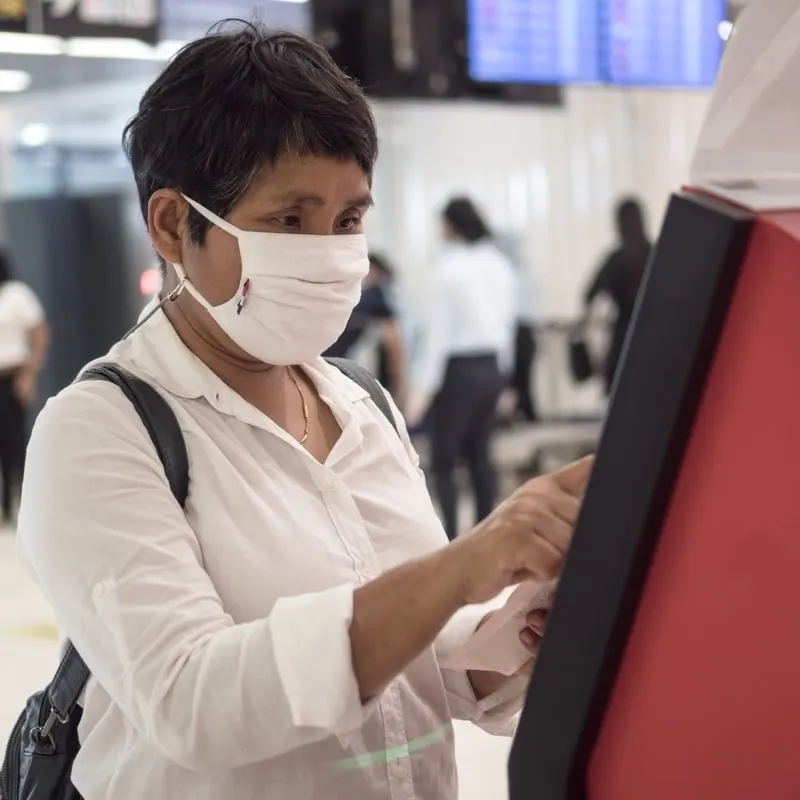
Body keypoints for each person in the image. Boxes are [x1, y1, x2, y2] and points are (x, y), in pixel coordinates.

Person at [16, 24, 592, 800]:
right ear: (171, 226)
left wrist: (521, 628)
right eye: (290, 221)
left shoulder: (362, 403)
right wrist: (461, 568)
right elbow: (193, 704)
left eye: (349, 220)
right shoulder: (99, 432)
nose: (328, 253)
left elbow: (409, 668)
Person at [408, 197, 517, 540]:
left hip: (459, 372)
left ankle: (451, 540)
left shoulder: (449, 269)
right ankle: (486, 538)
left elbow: (438, 337)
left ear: (451, 226)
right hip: (491, 369)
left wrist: (420, 392)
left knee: (444, 460)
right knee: (480, 458)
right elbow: (507, 326)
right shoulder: (500, 265)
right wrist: (507, 379)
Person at [584, 197, 652, 394]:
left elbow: (589, 293)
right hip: (654, 333)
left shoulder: (617, 258)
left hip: (624, 333)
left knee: (620, 392)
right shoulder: (657, 252)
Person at [0, 251, 48, 524]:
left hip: (12, 376)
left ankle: (23, 501)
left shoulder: (17, 295)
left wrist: (30, 372)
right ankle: (4, 504)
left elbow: (39, 332)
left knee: (14, 440)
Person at [325, 252, 405, 400]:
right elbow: (394, 343)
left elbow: (392, 341)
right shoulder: (372, 298)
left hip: (337, 364)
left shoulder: (373, 298)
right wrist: (399, 385)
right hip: (345, 367)